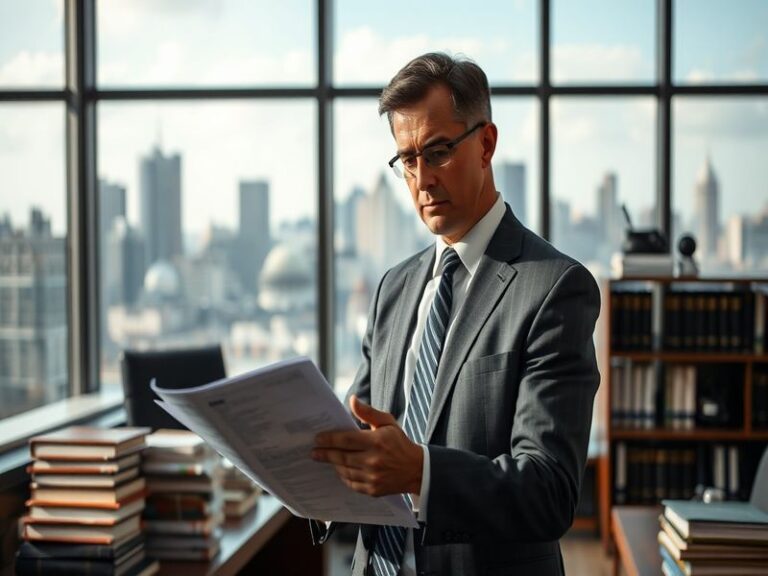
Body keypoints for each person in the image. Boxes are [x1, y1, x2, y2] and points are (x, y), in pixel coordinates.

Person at [311, 52, 600, 576]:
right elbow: (362, 430)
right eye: (407, 160)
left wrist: (421, 472)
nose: (421, 180)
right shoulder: (393, 289)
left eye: (438, 151)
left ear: (486, 144)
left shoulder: (555, 288)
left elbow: (549, 489)